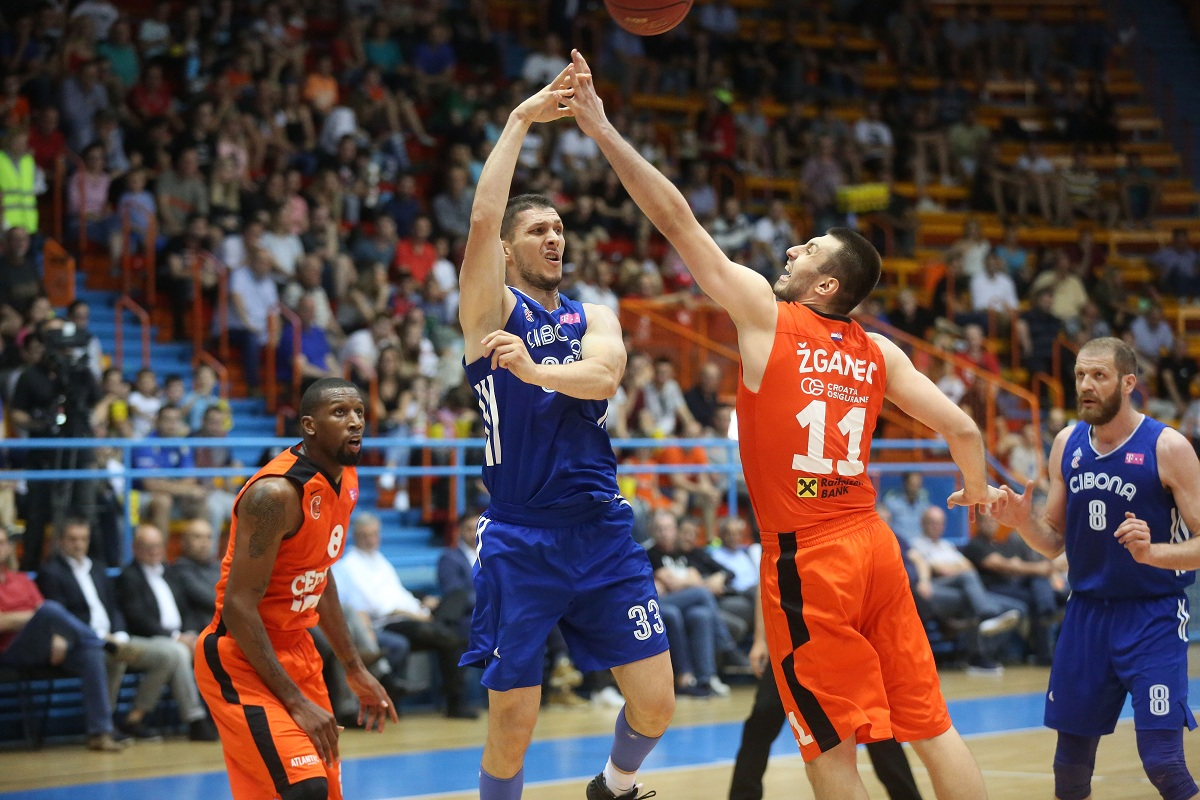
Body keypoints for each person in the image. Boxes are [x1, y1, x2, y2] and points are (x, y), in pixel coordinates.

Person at [565, 49, 999, 800]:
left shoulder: (768, 317)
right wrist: (976, 494)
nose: (792, 249)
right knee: (931, 726)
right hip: (876, 546)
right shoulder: (883, 353)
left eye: (808, 250)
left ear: (826, 283)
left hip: (811, 563)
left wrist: (602, 128)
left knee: (828, 750)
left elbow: (675, 218)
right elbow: (963, 428)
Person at [458, 66, 672, 800]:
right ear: (512, 253)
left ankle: (611, 787)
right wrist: (519, 120)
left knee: (657, 700)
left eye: (559, 228)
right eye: (539, 230)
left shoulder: (596, 315)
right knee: (513, 723)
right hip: (522, 537)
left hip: (602, 532)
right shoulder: (490, 315)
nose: (554, 237)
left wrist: (539, 373)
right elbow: (482, 222)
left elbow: (605, 376)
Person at [990, 337, 1200, 800]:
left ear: (1128, 383)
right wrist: (1021, 523)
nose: (1086, 385)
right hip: (1086, 616)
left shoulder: (1168, 447)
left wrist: (1154, 554)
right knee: (1069, 771)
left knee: (1163, 762)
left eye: (1098, 376)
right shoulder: (1066, 443)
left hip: (1152, 616)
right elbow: (1054, 542)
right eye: (1081, 375)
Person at [193, 378, 396, 800]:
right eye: (340, 413)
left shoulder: (347, 479)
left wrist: (354, 667)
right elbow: (238, 607)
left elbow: (320, 573)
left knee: (322, 793)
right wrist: (295, 701)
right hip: (242, 657)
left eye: (359, 412)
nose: (355, 422)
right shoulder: (274, 494)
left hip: (299, 652)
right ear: (309, 425)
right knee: (305, 791)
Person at [729, 621, 924, 800]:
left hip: (840, 636)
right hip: (792, 641)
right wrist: (760, 639)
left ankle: (906, 795)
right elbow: (766, 588)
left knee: (873, 723)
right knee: (764, 713)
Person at [0, 527, 124, 752]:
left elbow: (46, 618)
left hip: (44, 644)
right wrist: (31, 618)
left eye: (1, 543)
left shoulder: (20, 579)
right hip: (10, 650)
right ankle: (99, 639)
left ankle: (100, 732)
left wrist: (58, 635)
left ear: (9, 547)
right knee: (51, 609)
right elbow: (29, 617)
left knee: (90, 654)